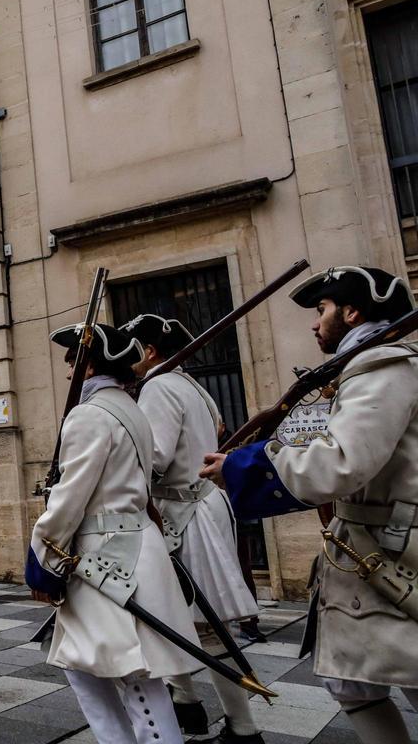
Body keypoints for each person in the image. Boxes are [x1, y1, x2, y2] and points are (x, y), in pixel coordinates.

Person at [201, 265, 418, 744]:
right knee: (352, 683)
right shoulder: (379, 365)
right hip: (372, 548)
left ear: (352, 311)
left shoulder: (382, 366)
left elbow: (344, 460)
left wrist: (241, 466)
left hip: (393, 550)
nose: (314, 322)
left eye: (322, 310)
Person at [26, 322, 201, 744]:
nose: (69, 373)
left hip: (108, 555)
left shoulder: (89, 415)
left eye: (74, 363)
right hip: (129, 547)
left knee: (131, 675)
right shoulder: (129, 407)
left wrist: (42, 557)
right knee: (86, 667)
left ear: (89, 368)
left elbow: (70, 499)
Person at [122, 314, 265, 743]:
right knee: (177, 614)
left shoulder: (159, 386)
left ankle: (243, 728)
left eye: (130, 347)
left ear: (148, 352)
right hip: (198, 508)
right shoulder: (192, 387)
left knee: (208, 624)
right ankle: (186, 704)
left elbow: (156, 457)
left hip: (184, 514)